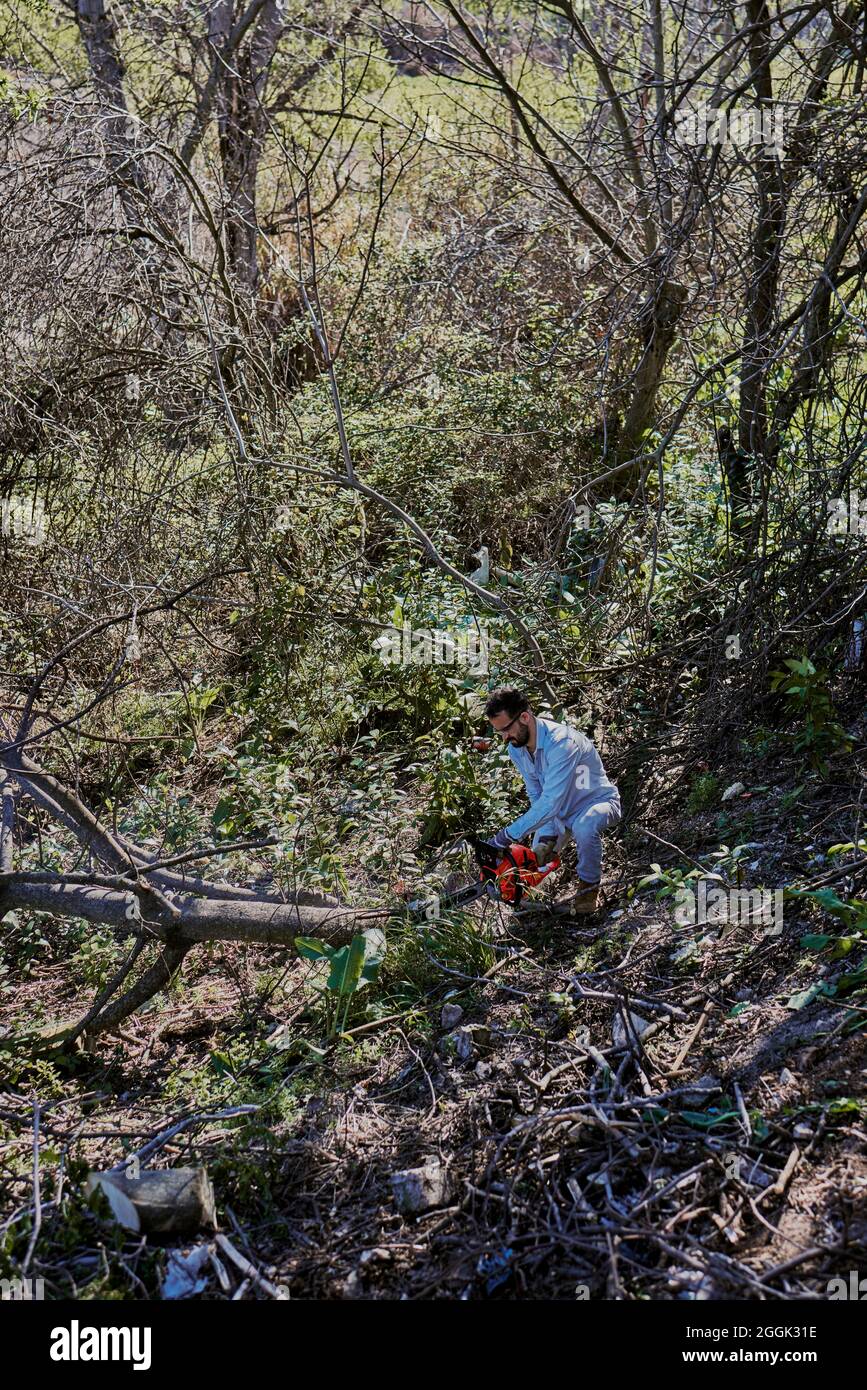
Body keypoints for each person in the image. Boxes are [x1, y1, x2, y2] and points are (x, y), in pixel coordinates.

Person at [483, 687, 620, 914]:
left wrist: (506, 836)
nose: (505, 737)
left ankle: (588, 890)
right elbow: (537, 795)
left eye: (506, 729)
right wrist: (546, 835)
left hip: (597, 803)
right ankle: (535, 904)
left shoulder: (562, 743)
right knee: (534, 860)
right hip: (558, 813)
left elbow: (550, 801)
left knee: (584, 826)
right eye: (499, 733)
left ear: (525, 717)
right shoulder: (517, 749)